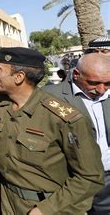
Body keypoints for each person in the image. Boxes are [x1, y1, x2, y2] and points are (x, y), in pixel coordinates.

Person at [0, 47, 104, 214]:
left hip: (50, 207)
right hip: (8, 202)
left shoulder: (63, 118)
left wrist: (46, 209)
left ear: (19, 77)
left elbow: (90, 177)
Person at [44, 53, 110, 214]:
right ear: (76, 74)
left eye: (108, 83)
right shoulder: (50, 96)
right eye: (93, 83)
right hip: (71, 181)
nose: (101, 90)